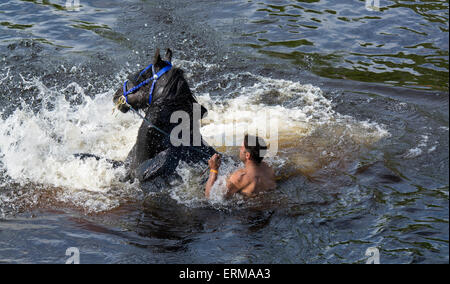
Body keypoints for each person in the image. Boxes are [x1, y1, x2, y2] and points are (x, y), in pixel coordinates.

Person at [205, 134, 276, 199]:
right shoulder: (269, 169)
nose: (239, 149)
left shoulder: (240, 177)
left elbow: (210, 197)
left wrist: (213, 169)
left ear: (247, 155)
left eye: (242, 147)